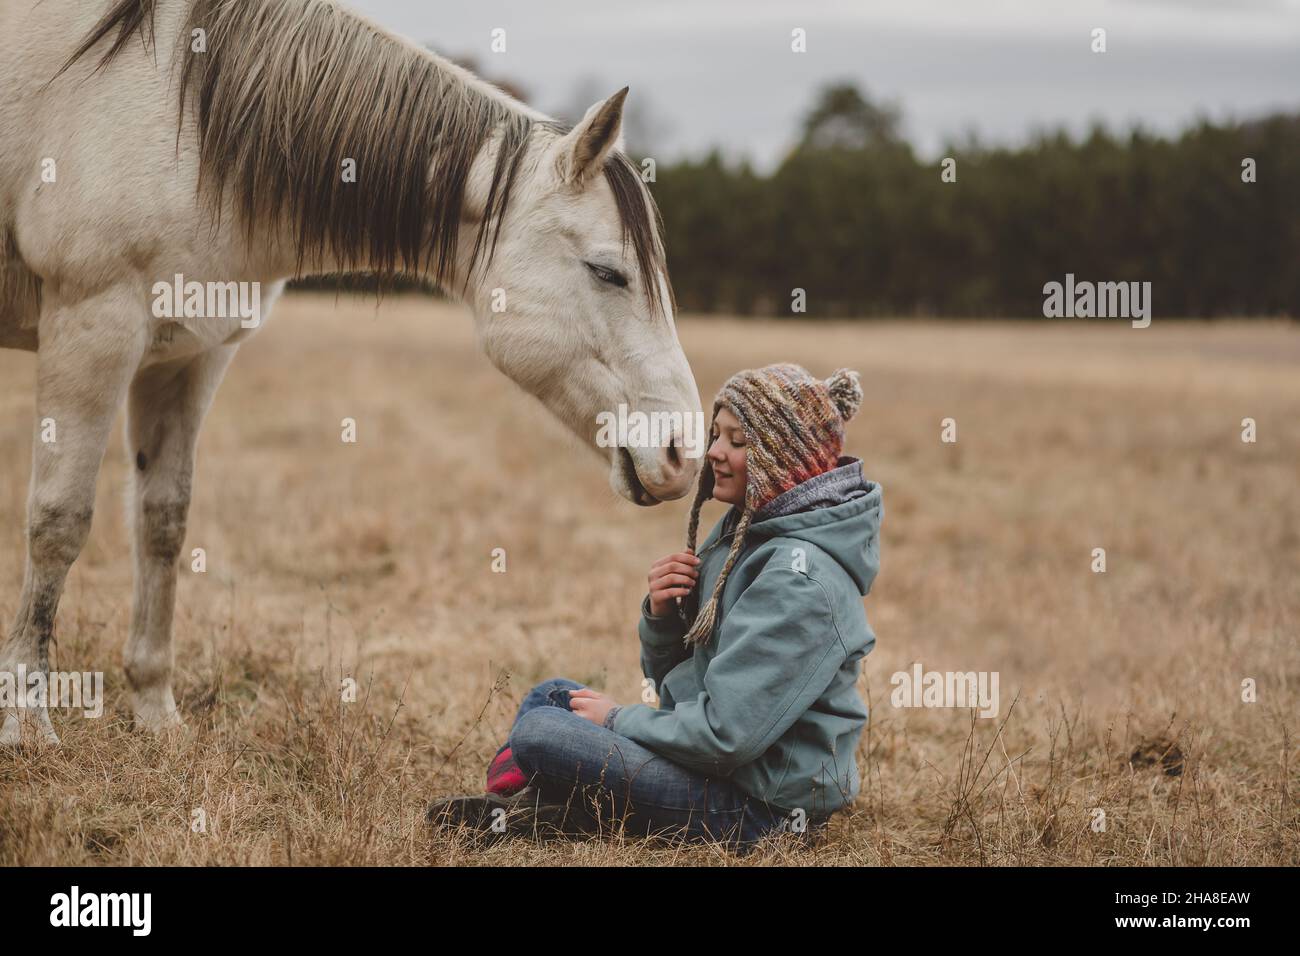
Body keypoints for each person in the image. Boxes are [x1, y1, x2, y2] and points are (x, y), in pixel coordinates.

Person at [427, 363, 883, 854]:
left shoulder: (799, 580)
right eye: (716, 435)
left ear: (782, 457)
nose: (713, 452)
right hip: (715, 769)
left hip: (757, 807)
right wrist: (663, 619)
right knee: (552, 697)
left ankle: (541, 804)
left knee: (541, 732)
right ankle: (548, 806)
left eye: (737, 440)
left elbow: (724, 737)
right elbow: (680, 690)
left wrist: (617, 722)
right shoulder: (746, 534)